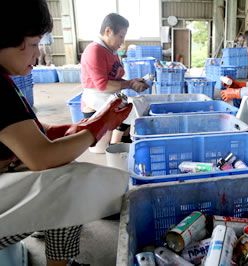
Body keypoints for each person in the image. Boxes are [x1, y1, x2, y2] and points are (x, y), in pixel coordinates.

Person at [0, 1, 133, 265]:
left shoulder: (6, 83)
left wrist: (77, 128)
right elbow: (42, 157)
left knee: (65, 167)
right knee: (72, 183)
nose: (37, 55)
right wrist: (98, 126)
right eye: (36, 43)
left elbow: (32, 129)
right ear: (12, 39)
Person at [80, 13, 148, 152]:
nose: (122, 41)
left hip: (110, 96)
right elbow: (103, 85)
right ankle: (115, 146)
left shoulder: (111, 50)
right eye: (121, 36)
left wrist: (133, 82)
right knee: (134, 113)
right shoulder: (95, 51)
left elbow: (115, 79)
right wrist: (129, 84)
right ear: (108, 31)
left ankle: (120, 142)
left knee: (140, 105)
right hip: (96, 101)